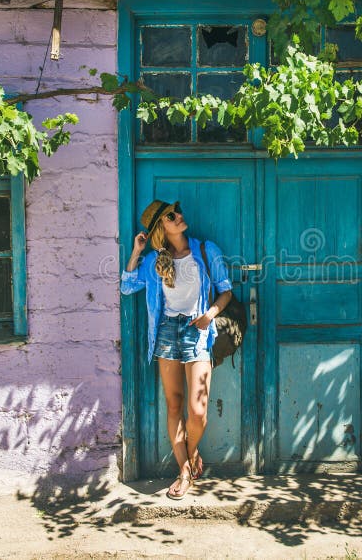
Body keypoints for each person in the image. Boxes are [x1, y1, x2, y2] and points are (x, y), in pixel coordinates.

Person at [121, 199, 233, 500]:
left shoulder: (206, 250)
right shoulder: (155, 261)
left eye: (178, 211)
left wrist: (210, 315)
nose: (179, 216)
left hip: (197, 331)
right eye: (171, 216)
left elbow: (226, 290)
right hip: (167, 332)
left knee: (198, 411)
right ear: (161, 227)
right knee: (174, 404)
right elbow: (127, 286)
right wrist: (136, 251)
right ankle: (185, 471)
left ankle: (192, 451)